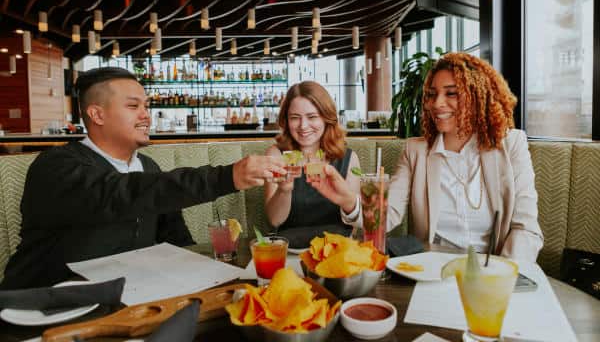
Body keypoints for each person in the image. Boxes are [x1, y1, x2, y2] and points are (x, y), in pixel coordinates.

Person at [0, 67, 286, 289]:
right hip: (42, 303)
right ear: (97, 114)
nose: (146, 116)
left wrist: (205, 278)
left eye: (146, 107)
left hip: (125, 299)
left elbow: (175, 238)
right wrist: (227, 177)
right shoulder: (55, 167)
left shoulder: (148, 167)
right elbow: (119, 193)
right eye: (133, 106)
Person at [312, 53, 543, 262]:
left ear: (477, 97)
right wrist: (348, 201)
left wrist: (502, 277)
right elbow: (388, 216)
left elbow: (526, 228)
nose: (436, 103)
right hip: (433, 272)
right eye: (432, 95)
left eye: (451, 93)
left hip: (495, 273)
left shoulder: (511, 144)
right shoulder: (416, 151)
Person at [264, 81, 360, 247]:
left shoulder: (348, 158)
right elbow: (275, 220)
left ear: (326, 118)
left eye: (312, 117)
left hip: (335, 250)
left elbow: (354, 225)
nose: (303, 126)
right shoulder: (276, 155)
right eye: (295, 118)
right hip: (289, 251)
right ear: (286, 121)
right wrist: (284, 190)